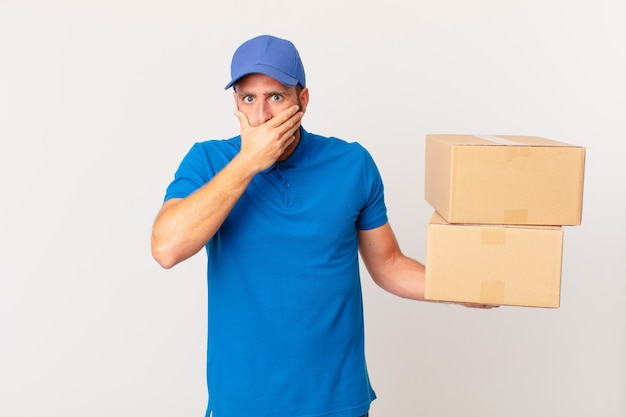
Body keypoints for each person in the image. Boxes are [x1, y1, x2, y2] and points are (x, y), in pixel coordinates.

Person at [151, 34, 491, 417]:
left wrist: (458, 287)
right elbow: (166, 249)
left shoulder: (351, 163)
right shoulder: (208, 161)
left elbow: (389, 264)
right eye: (249, 98)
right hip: (244, 403)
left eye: (276, 97)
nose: (261, 116)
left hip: (337, 401)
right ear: (236, 104)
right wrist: (247, 163)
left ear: (303, 101)